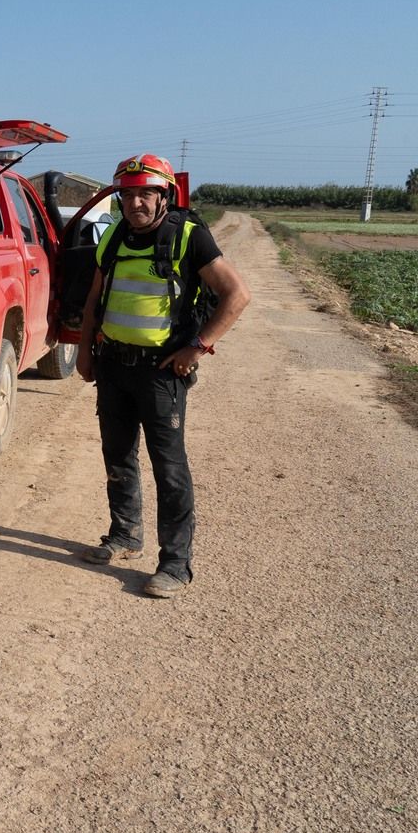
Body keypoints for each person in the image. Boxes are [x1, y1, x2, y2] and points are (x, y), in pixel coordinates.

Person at [75, 154, 251, 599]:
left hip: (160, 374)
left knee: (169, 469)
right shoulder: (114, 236)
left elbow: (237, 294)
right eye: (128, 193)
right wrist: (84, 349)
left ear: (163, 196)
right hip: (113, 365)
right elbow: (95, 296)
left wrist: (197, 347)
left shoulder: (189, 236)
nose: (135, 202)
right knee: (117, 455)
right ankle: (124, 534)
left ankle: (175, 564)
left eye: (145, 193)